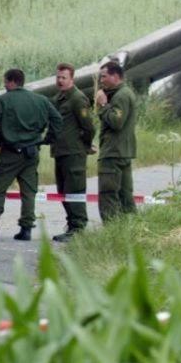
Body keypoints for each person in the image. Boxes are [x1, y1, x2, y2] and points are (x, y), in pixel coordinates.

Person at [0, 68, 61, 241]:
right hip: (32, 152)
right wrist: (45, 140)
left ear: (12, 81)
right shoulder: (41, 100)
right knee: (28, 191)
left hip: (10, 152)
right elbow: (57, 119)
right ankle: (26, 229)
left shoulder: (3, 100)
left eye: (5, 81)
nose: (4, 85)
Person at [50, 63, 95, 242]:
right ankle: (71, 225)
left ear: (72, 79)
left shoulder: (78, 98)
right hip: (60, 151)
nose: (60, 81)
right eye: (58, 77)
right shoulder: (58, 98)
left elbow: (88, 127)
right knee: (62, 191)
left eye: (64, 78)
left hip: (74, 153)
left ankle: (78, 228)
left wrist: (85, 145)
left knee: (74, 190)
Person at [95, 60, 137, 222]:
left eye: (104, 76)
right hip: (123, 152)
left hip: (113, 152)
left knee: (108, 194)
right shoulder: (124, 93)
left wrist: (103, 105)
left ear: (115, 76)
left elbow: (116, 122)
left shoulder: (121, 96)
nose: (101, 80)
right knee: (125, 194)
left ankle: (112, 229)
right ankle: (132, 229)